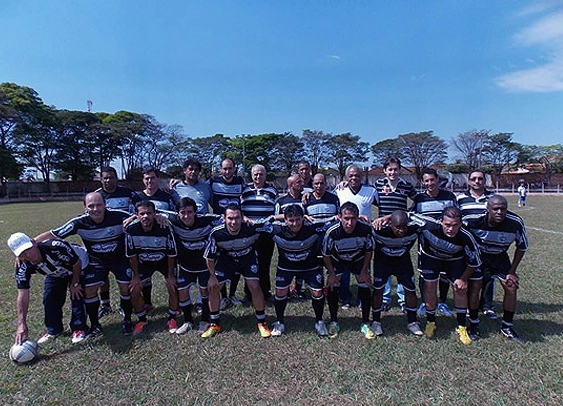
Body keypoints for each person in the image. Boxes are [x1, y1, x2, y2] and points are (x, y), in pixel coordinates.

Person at [35, 192, 135, 335]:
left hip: (119, 259)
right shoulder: (79, 222)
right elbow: (54, 234)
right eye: (91, 206)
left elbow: (140, 215)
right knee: (89, 290)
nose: (96, 209)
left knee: (126, 288)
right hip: (96, 261)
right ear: (84, 208)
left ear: (105, 205)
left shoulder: (119, 216)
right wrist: (30, 244)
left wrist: (157, 216)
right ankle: (95, 325)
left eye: (99, 205)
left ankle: (127, 320)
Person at [202, 204, 271, 338]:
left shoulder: (252, 227)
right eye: (230, 218)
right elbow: (209, 257)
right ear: (224, 218)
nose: (233, 222)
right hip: (227, 259)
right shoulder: (217, 233)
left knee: (254, 286)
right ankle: (214, 324)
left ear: (242, 218)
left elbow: (273, 221)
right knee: (214, 287)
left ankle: (262, 322)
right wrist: (212, 276)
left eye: (237, 218)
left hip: (247, 258)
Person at [465, 195, 528, 342]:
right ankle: (473, 324)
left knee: (511, 287)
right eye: (496, 209)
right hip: (479, 258)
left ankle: (507, 326)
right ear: (488, 209)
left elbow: (522, 247)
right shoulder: (474, 221)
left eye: (503, 209)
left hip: (500, 257)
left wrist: (512, 272)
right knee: (475, 287)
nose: (500, 212)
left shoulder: (515, 222)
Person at [417, 206, 482, 345]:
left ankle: (461, 326)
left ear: (460, 224)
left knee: (460, 288)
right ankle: (430, 322)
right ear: (441, 221)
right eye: (447, 225)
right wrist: (384, 218)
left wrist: (463, 279)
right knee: (429, 286)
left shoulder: (466, 236)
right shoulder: (427, 224)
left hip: (454, 261)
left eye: (455, 225)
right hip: (431, 258)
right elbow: (406, 215)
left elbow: (475, 262)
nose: (450, 229)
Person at [7, 233, 87, 345]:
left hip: (80, 266)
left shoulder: (55, 247)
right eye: (22, 253)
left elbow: (76, 262)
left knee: (77, 295)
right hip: (55, 273)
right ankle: (53, 330)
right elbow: (23, 294)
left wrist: (75, 283)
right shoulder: (22, 265)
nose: (28, 254)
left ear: (34, 243)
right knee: (49, 299)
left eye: (28, 249)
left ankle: (79, 329)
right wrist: (21, 324)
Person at [266, 204, 328, 337]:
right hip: (286, 267)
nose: (294, 223)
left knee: (317, 292)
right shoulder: (276, 229)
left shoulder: (314, 228)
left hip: (309, 266)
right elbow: (259, 223)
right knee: (280, 291)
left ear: (303, 219)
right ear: (285, 220)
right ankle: (280, 322)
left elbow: (335, 220)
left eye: (298, 219)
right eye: (291, 220)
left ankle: (319, 321)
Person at [170, 197, 223, 335]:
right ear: (178, 213)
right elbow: (157, 214)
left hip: (204, 265)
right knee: (182, 290)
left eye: (189, 212)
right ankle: (187, 321)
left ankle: (204, 320)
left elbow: (225, 217)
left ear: (195, 212)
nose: (186, 216)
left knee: (205, 290)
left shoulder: (206, 221)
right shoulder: (173, 223)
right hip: (186, 266)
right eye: (183, 212)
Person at [322, 202, 375, 339]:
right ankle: (334, 321)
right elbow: (326, 254)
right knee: (334, 284)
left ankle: (365, 322)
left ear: (358, 217)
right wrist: (332, 274)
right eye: (346, 218)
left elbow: (369, 251)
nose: (350, 222)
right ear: (340, 217)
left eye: (353, 218)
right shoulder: (332, 232)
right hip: (337, 259)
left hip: (357, 258)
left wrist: (364, 270)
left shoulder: (365, 230)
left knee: (364, 283)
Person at [125, 200, 178, 334]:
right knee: (134, 290)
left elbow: (172, 254)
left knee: (173, 286)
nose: (145, 216)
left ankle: (172, 317)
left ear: (155, 214)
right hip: (144, 263)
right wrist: (136, 276)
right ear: (136, 215)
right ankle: (142, 319)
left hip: (164, 261)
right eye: (142, 214)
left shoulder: (164, 227)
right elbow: (132, 255)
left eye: (149, 213)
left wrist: (171, 276)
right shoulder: (131, 229)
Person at [411, 167, 458, 318]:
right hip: (425, 245)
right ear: (422, 182)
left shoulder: (449, 196)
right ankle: (425, 302)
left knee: (444, 274)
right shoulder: (419, 199)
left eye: (432, 180)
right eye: (426, 181)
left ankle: (442, 301)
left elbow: (457, 216)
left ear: (437, 179)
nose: (430, 183)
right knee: (425, 275)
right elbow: (413, 218)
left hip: (446, 245)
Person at [373, 157, 417, 312]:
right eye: (390, 169)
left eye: (396, 169)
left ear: (400, 170)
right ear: (384, 171)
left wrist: (407, 215)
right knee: (382, 263)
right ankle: (384, 298)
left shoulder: (406, 186)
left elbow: (417, 201)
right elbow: (366, 199)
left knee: (401, 262)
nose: (393, 172)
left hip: (400, 231)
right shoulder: (378, 185)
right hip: (383, 232)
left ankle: (403, 298)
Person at [95, 166, 140, 318]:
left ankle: (123, 305)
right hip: (103, 240)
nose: (108, 180)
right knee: (103, 276)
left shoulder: (128, 193)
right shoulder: (96, 196)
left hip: (123, 241)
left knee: (124, 275)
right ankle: (105, 305)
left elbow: (140, 208)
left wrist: (133, 217)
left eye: (111, 177)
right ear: (101, 179)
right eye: (105, 178)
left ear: (116, 178)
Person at [370, 211, 423, 337]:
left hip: (402, 262)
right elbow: (363, 224)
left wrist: (388, 216)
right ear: (390, 224)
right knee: (378, 290)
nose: (401, 230)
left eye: (404, 227)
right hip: (383, 263)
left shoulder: (414, 228)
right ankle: (376, 321)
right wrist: (382, 219)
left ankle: (412, 321)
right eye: (397, 227)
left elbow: (422, 218)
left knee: (410, 290)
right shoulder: (379, 230)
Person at [334, 164, 378, 310]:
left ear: (362, 176)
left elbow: (382, 206)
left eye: (357, 175)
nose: (354, 178)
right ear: (346, 177)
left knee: (364, 269)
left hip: (363, 235)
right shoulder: (340, 190)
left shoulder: (371, 191)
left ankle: (362, 299)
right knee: (344, 270)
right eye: (351, 175)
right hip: (344, 235)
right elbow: (331, 205)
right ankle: (345, 298)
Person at [456, 169, 497, 322]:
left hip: (487, 244)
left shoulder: (492, 198)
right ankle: (466, 306)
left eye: (480, 179)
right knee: (467, 275)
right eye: (474, 179)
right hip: (467, 245)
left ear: (484, 181)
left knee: (488, 276)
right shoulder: (461, 198)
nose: (477, 181)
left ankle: (487, 306)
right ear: (469, 181)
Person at [136, 166, 177, 313]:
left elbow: (174, 215)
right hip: (143, 244)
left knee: (171, 277)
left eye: (152, 178)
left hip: (163, 244)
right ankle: (147, 303)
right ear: (143, 180)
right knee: (145, 278)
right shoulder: (137, 197)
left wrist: (161, 215)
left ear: (158, 179)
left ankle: (174, 305)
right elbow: (131, 216)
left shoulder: (166, 196)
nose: (150, 181)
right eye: (146, 178)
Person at [207, 157, 246, 309]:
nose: (227, 171)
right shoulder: (212, 181)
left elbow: (249, 192)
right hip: (219, 227)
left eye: (230, 168)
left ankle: (232, 295)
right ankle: (223, 297)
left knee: (236, 258)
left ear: (234, 168)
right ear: (220, 169)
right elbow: (200, 189)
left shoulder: (240, 182)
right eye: (224, 168)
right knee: (220, 262)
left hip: (236, 225)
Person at [240, 164, 278, 302]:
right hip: (249, 232)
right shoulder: (244, 190)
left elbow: (276, 210)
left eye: (261, 174)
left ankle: (266, 292)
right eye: (255, 174)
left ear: (265, 175)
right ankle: (248, 293)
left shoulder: (272, 190)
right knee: (249, 262)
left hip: (266, 233)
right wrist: (244, 218)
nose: (258, 176)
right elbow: (239, 209)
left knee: (264, 262)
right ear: (251, 175)